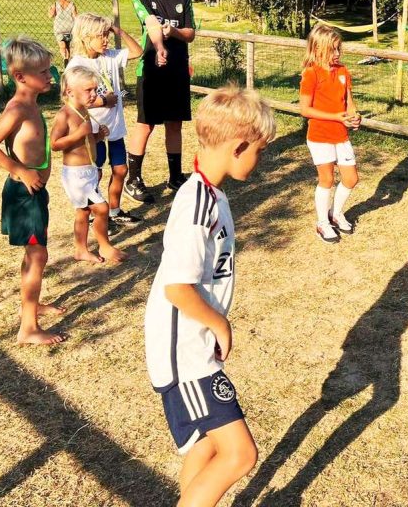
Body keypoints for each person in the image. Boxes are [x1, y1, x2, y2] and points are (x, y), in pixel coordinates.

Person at [144, 85, 276, 507]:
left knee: (204, 447)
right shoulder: (198, 204)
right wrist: (219, 323)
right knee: (239, 454)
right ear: (239, 146)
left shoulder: (210, 194)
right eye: (259, 150)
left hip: (191, 346)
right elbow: (177, 287)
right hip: (186, 353)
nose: (260, 159)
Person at [0, 36, 65, 346]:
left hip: (35, 194)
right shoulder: (17, 108)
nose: (49, 75)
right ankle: (28, 327)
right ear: (19, 77)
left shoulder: (31, 103)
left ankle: (33, 304)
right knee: (38, 254)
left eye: (49, 69)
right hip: (24, 196)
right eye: (42, 71)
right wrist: (21, 170)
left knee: (34, 253)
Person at [68, 12, 166, 229]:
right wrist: (103, 101)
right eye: (101, 36)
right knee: (96, 173)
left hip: (115, 128)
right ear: (85, 37)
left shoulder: (110, 56)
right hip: (94, 131)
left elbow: (138, 52)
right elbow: (72, 101)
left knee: (120, 170)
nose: (106, 40)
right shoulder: (77, 64)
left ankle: (114, 210)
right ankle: (96, 215)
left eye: (107, 34)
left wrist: (117, 30)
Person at [126, 0, 197, 202]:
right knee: (146, 124)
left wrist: (174, 33)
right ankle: (133, 179)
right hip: (152, 70)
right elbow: (152, 25)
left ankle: (175, 177)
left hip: (178, 69)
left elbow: (190, 33)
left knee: (175, 124)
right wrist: (159, 48)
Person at [52, 64, 129, 265]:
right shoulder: (65, 115)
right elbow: (55, 144)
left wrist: (97, 135)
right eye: (88, 90)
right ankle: (105, 246)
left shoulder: (84, 111)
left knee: (84, 211)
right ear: (69, 92)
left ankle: (80, 249)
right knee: (102, 209)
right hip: (75, 175)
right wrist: (79, 133)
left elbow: (85, 141)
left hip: (89, 171)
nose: (94, 94)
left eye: (95, 89)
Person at [298, 25, 362, 243]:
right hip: (320, 136)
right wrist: (336, 117)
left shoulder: (343, 72)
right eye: (332, 50)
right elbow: (305, 110)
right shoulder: (311, 73)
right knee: (326, 180)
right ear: (318, 49)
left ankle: (335, 214)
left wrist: (354, 117)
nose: (337, 54)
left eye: (338, 49)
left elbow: (349, 103)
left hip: (341, 135)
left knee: (351, 178)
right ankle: (322, 223)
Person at [48, 0, 78, 66]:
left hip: (59, 29)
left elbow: (50, 16)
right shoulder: (71, 4)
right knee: (67, 46)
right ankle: (67, 60)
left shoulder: (55, 4)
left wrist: (50, 9)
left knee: (62, 46)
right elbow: (75, 16)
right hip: (69, 28)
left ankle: (65, 59)